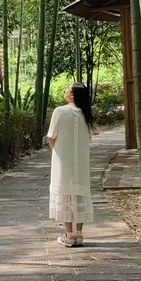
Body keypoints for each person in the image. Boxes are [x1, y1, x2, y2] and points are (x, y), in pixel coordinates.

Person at [47, 82, 94, 247]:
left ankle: (68, 235)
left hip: (63, 159)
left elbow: (51, 137)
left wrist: (57, 152)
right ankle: (79, 234)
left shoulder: (59, 111)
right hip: (81, 160)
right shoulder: (86, 114)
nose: (65, 91)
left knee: (65, 193)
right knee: (80, 192)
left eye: (67, 90)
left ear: (72, 95)